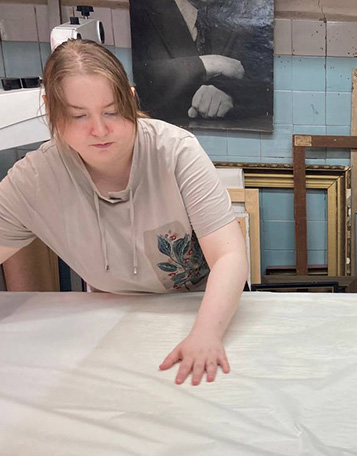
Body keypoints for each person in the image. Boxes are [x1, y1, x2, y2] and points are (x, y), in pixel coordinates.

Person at [0, 40, 249, 385]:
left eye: (112, 111)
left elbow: (229, 255)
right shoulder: (35, 179)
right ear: (51, 110)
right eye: (78, 116)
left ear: (130, 100)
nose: (99, 130)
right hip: (114, 317)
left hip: (201, 307)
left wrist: (206, 334)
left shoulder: (175, 151)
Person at [130, 0, 272, 127]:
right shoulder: (140, 8)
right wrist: (207, 64)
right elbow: (135, 80)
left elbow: (263, 78)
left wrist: (229, 90)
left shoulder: (244, 12)